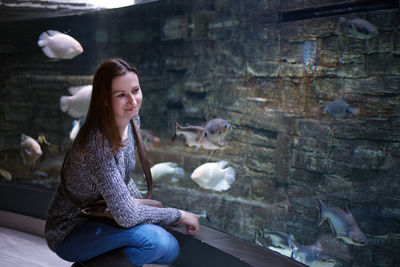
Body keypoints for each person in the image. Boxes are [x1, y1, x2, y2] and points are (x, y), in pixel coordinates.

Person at [45, 58, 199, 267]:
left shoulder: (132, 121)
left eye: (135, 90)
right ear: (105, 99)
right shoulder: (96, 143)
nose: (133, 101)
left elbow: (122, 184)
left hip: (105, 217)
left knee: (170, 250)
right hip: (71, 230)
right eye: (121, 95)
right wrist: (178, 215)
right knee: (157, 242)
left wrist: (141, 208)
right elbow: (126, 216)